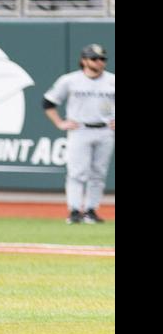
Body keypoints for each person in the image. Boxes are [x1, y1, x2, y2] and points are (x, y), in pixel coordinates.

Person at [43, 43, 115, 224]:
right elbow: (48, 102)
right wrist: (59, 122)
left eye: (102, 59)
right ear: (84, 60)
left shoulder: (111, 80)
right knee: (77, 172)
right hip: (80, 129)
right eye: (94, 58)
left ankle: (91, 210)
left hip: (105, 129)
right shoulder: (70, 80)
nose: (99, 62)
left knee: (98, 173)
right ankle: (75, 210)